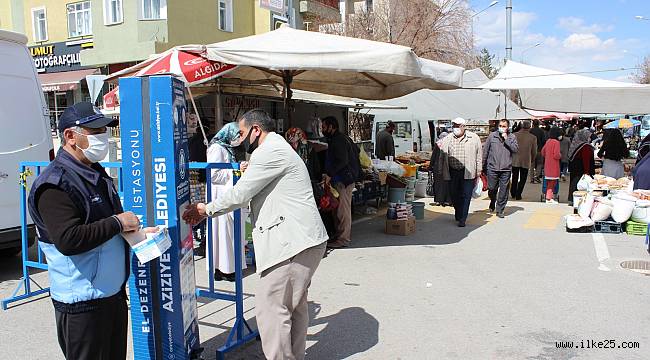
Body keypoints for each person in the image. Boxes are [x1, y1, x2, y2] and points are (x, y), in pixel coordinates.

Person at [182, 109, 328, 360]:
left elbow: (240, 194)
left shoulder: (268, 151)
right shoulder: (278, 149)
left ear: (256, 130)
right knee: (294, 306)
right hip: (305, 240)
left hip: (291, 243)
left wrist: (205, 209)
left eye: (242, 133)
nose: (239, 138)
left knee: (271, 308)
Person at [27, 102, 144, 360]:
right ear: (70, 136)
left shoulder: (94, 172)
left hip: (111, 296)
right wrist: (118, 223)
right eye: (95, 131)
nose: (103, 136)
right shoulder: (55, 184)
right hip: (82, 305)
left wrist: (134, 231)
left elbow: (104, 224)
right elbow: (69, 240)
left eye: (104, 129)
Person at [206, 122, 247, 282]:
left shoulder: (228, 148)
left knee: (228, 234)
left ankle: (229, 268)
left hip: (226, 194)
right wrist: (236, 170)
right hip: (219, 195)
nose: (239, 139)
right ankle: (222, 269)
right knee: (221, 233)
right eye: (237, 136)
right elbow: (214, 175)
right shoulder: (217, 148)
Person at [322, 116, 360, 249]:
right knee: (337, 209)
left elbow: (342, 161)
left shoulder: (338, 140)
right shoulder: (339, 138)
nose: (322, 129)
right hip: (341, 180)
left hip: (344, 180)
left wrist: (330, 174)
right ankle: (339, 236)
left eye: (324, 126)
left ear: (332, 126)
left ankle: (343, 239)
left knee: (343, 211)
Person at [438, 117, 483, 227]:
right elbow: (442, 156)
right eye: (454, 125)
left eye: (458, 126)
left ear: (464, 126)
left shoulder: (474, 138)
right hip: (453, 171)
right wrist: (440, 170)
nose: (456, 128)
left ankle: (463, 218)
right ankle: (458, 212)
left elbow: (479, 155)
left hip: (468, 171)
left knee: (466, 195)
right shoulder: (447, 138)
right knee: (454, 195)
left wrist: (479, 170)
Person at [483, 119, 519, 217]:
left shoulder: (512, 137)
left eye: (504, 126)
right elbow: (485, 151)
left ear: (508, 127)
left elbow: (515, 149)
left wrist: (506, 139)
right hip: (492, 168)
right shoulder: (492, 136)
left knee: (504, 190)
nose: (502, 128)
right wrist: (482, 165)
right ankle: (492, 200)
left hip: (505, 168)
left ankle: (500, 209)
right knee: (492, 188)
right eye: (500, 126)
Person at [188, 125, 213, 257]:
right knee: (204, 212)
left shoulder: (191, 141)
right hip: (205, 179)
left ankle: (199, 237)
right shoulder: (207, 142)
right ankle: (204, 240)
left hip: (193, 178)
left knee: (195, 211)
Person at [567, 128, 596, 205]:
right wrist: (586, 172)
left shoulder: (575, 144)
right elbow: (586, 160)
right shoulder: (585, 146)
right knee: (579, 185)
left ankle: (571, 199)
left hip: (574, 169)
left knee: (574, 183)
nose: (589, 138)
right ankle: (577, 200)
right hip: (581, 170)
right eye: (588, 136)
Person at [511, 120, 537, 200]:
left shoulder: (514, 135)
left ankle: (513, 192)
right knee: (523, 178)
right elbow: (534, 151)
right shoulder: (533, 137)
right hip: (526, 160)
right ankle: (518, 194)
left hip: (515, 159)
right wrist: (532, 159)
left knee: (514, 177)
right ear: (529, 127)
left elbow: (510, 147)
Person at [429, 132, 452, 206]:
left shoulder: (438, 144)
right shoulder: (450, 144)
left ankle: (438, 200)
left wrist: (430, 166)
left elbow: (433, 156)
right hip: (448, 167)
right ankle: (448, 200)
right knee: (447, 184)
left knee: (438, 184)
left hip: (437, 167)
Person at [541, 127, 562, 204]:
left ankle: (549, 196)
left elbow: (543, 152)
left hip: (547, 164)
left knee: (548, 182)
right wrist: (560, 155)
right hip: (554, 165)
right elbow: (556, 155)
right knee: (552, 183)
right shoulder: (556, 142)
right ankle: (549, 198)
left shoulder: (548, 141)